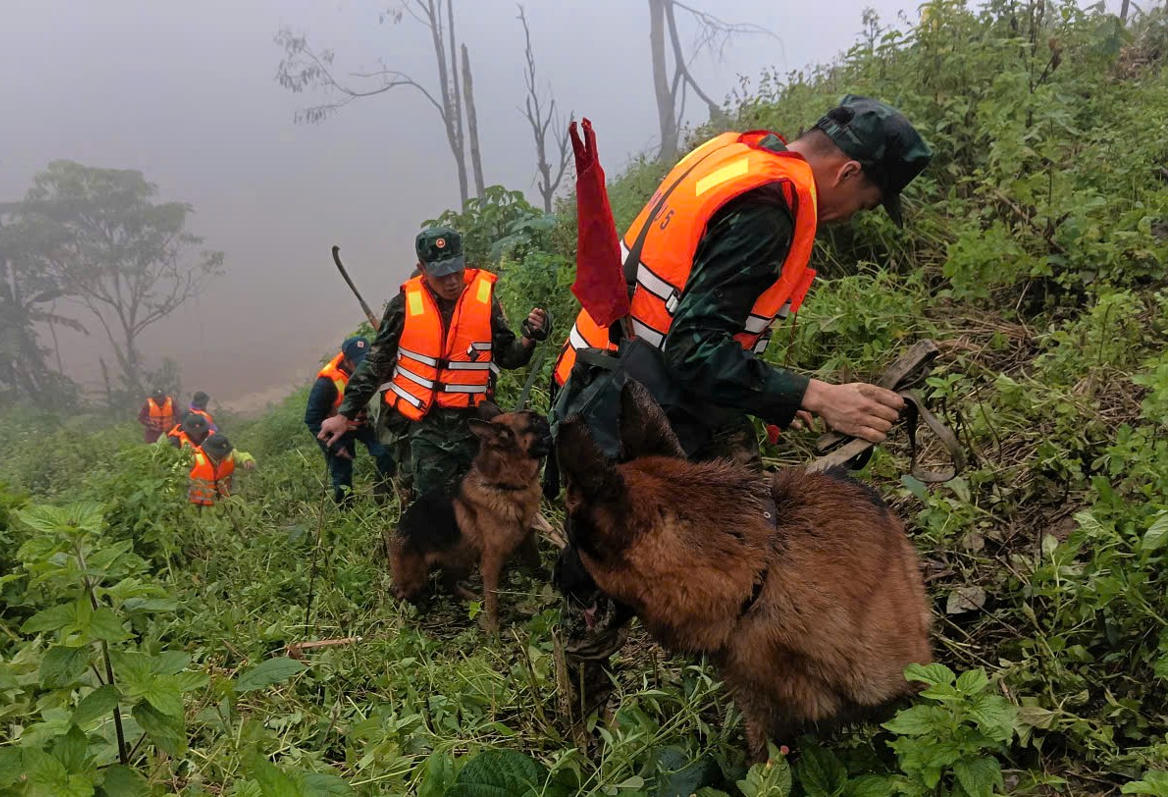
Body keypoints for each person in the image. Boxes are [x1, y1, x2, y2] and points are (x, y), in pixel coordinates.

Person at [549, 95, 933, 724]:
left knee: (751, 512)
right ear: (849, 172)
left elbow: (697, 323)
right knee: (602, 568)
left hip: (616, 373)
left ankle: (757, 659)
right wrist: (814, 395)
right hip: (633, 403)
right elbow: (695, 348)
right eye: (863, 205)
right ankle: (583, 727)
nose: (848, 218)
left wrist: (772, 395)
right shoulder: (768, 210)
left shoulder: (737, 154)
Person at [318, 227, 551, 501]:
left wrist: (528, 338)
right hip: (426, 428)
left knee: (487, 499)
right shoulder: (403, 306)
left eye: (456, 269)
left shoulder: (485, 301)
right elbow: (375, 363)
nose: (451, 280)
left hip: (474, 424)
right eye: (441, 273)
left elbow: (508, 357)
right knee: (434, 504)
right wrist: (344, 415)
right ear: (422, 268)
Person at [305, 336, 396, 505]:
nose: (362, 368)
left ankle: (383, 495)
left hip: (362, 423)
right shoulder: (326, 383)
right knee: (342, 474)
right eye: (357, 363)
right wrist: (335, 446)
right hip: (335, 430)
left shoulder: (373, 368)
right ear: (346, 361)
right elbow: (312, 419)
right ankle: (346, 511)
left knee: (386, 452)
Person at [187, 433, 256, 507]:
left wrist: (247, 460)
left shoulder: (229, 454)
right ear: (211, 452)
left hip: (223, 501)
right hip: (195, 504)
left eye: (225, 453)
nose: (224, 456)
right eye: (220, 454)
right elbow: (177, 475)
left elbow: (241, 456)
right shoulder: (193, 458)